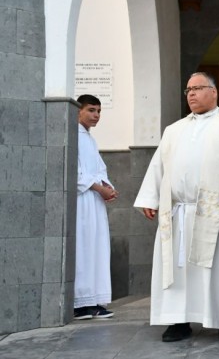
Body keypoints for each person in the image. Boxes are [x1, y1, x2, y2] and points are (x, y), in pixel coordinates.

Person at [133, 72, 219, 342]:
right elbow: (159, 165)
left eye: (198, 88)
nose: (192, 94)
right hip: (179, 213)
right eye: (188, 90)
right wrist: (150, 198)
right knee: (179, 270)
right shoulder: (174, 130)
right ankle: (178, 320)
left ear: (214, 92)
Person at [74, 94, 117, 320]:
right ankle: (80, 303)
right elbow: (75, 172)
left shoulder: (90, 139)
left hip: (95, 201)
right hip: (82, 202)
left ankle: (94, 301)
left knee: (96, 249)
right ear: (77, 111)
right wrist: (99, 188)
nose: (96, 115)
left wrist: (107, 186)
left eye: (99, 111)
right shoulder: (72, 135)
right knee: (83, 249)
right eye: (91, 110)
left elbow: (100, 169)